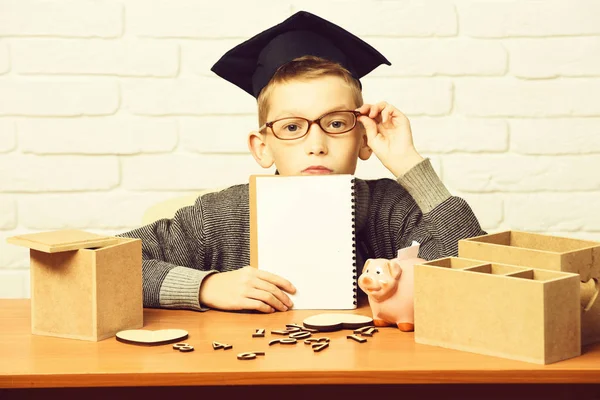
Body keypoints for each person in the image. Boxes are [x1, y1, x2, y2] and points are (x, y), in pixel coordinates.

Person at [117, 11, 487, 314]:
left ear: (363, 139)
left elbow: (476, 281)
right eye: (292, 126)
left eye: (337, 124)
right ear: (262, 147)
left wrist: (409, 164)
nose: (316, 144)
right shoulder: (220, 217)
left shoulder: (392, 209)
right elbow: (100, 263)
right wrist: (205, 286)